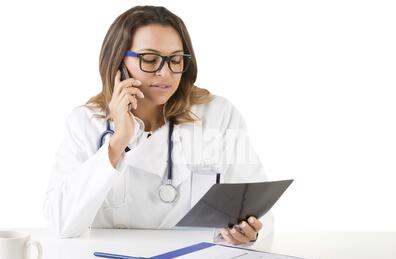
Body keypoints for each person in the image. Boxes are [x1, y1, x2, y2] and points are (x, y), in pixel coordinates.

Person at [44, 5, 272, 246]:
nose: (165, 73)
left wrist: (250, 233)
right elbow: (62, 223)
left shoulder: (219, 115)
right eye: (149, 60)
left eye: (175, 60)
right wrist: (118, 141)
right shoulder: (86, 123)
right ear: (118, 62)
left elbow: (259, 208)